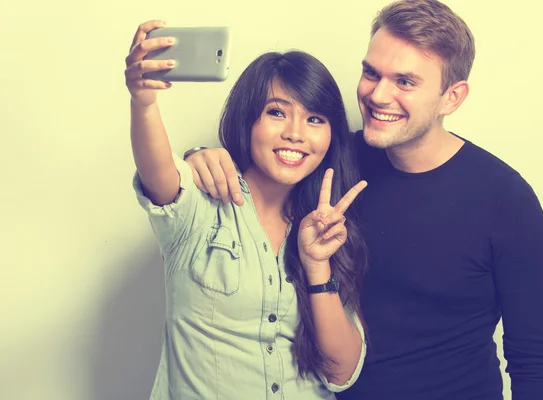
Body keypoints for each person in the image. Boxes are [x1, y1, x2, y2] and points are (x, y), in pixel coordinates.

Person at [182, 0, 543, 399]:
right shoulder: (332, 163)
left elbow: (532, 357)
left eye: (405, 82)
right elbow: (263, 175)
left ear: (452, 97)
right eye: (370, 73)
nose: (378, 94)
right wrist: (199, 158)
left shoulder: (505, 198)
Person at [124, 19, 370, 399]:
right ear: (248, 118)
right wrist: (143, 103)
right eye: (277, 112)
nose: (295, 133)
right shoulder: (204, 200)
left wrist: (318, 265)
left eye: (315, 119)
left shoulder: (327, 228)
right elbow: (158, 173)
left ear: (330, 137)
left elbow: (342, 374)